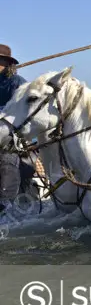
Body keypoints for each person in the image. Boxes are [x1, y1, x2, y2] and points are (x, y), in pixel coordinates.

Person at [0, 44, 34, 202]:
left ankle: (7, 205)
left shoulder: (17, 83)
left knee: (8, 165)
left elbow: (22, 111)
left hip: (14, 138)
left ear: (7, 63)